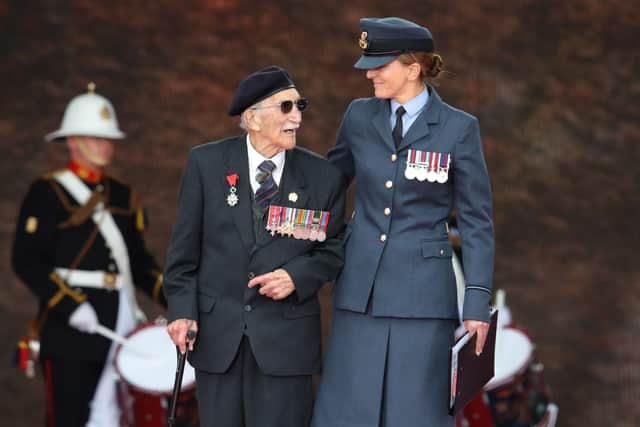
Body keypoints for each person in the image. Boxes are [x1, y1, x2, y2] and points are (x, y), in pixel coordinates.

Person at [311, 17, 495, 427]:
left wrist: (477, 303)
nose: (369, 73)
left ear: (413, 69)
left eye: (380, 65)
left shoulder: (459, 129)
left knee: (415, 414)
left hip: (423, 299)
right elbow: (328, 184)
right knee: (346, 413)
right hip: (360, 291)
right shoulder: (359, 116)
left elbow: (476, 220)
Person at [163, 65, 346, 427]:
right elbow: (183, 254)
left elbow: (336, 247)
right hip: (218, 341)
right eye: (285, 107)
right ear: (252, 118)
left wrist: (296, 276)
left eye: (299, 106)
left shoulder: (323, 176)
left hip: (286, 342)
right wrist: (182, 311)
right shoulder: (207, 164)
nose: (297, 117)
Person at [11, 83, 166, 427]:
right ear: (71, 140)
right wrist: (71, 305)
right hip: (72, 329)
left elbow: (139, 262)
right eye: (95, 137)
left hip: (122, 324)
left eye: (108, 138)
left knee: (122, 417)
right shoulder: (46, 192)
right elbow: (26, 260)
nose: (104, 145)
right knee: (70, 418)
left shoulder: (124, 195)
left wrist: (176, 299)